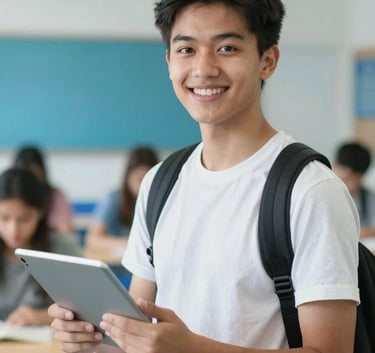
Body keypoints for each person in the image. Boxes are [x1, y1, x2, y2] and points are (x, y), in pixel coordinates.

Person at [48, 1, 360, 353]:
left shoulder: (311, 190)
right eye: (186, 49)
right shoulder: (159, 183)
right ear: (169, 62)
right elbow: (133, 335)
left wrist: (193, 349)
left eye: (227, 48)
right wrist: (89, 340)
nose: (204, 68)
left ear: (267, 61)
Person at [0, 167, 82, 326]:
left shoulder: (62, 247)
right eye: (4, 218)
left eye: (23, 219)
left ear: (40, 213)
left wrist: (42, 316)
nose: (13, 230)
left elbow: (92, 305)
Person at [85, 146, 159, 251]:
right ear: (127, 177)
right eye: (139, 179)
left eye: (149, 180)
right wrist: (133, 243)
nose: (144, 186)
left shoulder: (162, 202)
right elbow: (92, 240)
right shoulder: (114, 198)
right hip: (119, 262)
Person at [13, 145, 74, 234]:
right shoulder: (9, 197)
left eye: (35, 174)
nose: (31, 181)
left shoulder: (54, 196)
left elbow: (66, 232)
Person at [333, 141, 375, 239]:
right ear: (334, 167)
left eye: (357, 180)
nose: (351, 186)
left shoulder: (370, 198)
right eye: (346, 179)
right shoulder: (319, 196)